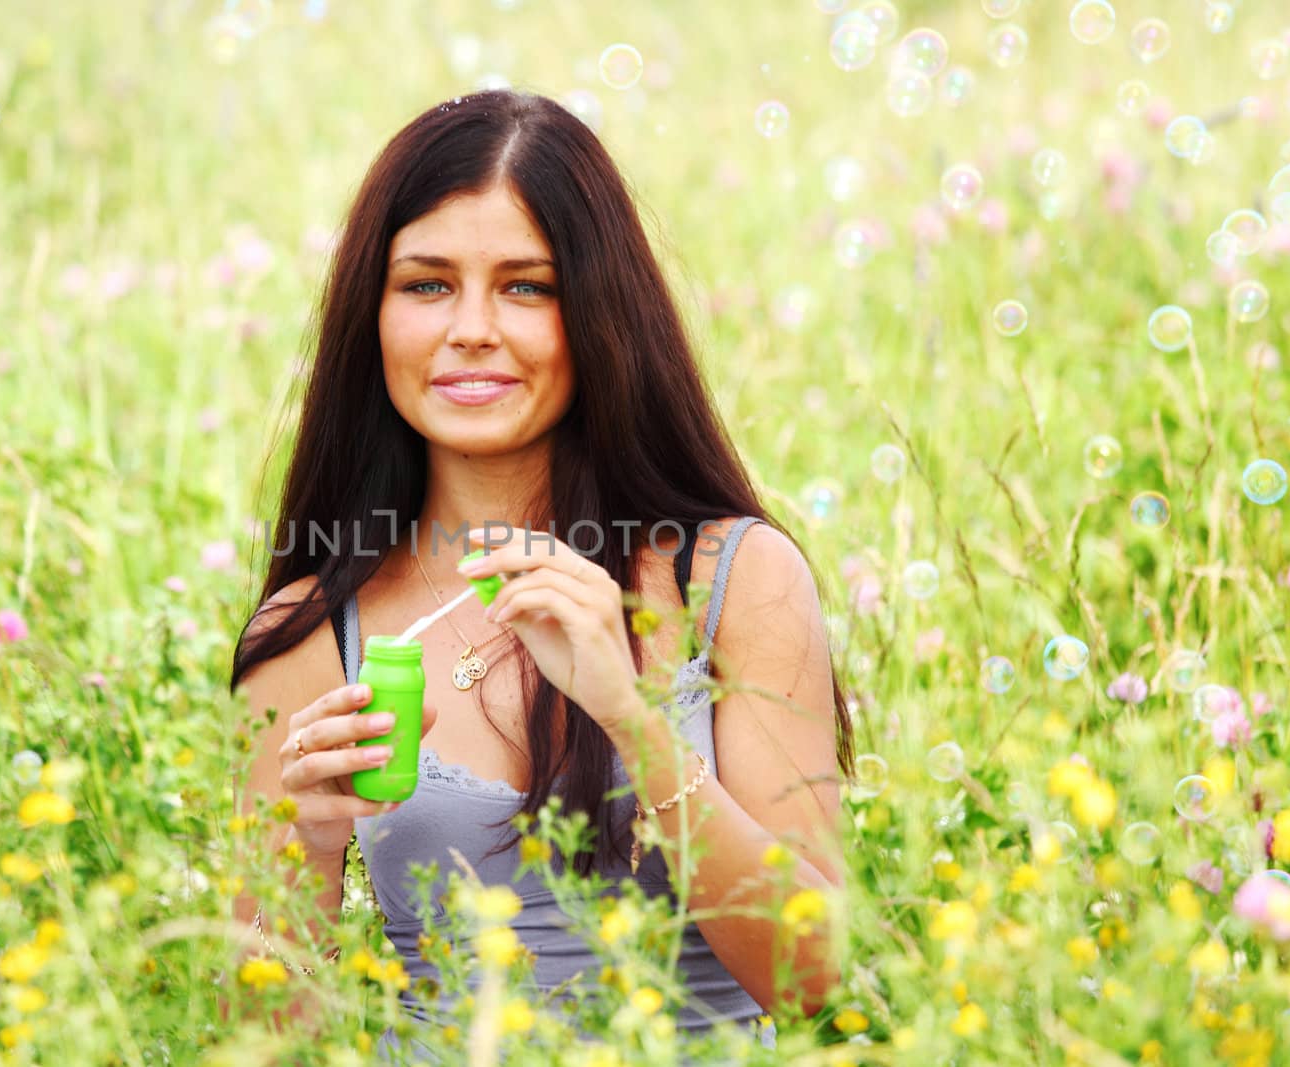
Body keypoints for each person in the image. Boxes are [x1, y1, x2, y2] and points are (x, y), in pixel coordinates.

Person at [227, 88, 854, 1058]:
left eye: (527, 286)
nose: (471, 327)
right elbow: (259, 1039)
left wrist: (632, 716)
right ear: (373, 313)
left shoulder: (734, 577)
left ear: (599, 314)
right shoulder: (317, 628)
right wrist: (307, 840)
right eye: (426, 284)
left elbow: (811, 979)